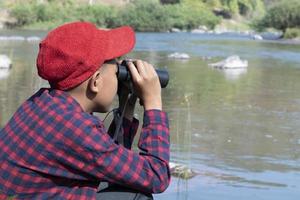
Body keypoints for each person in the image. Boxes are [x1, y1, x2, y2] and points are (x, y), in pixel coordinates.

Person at [0, 21, 170, 199]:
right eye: (116, 70)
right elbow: (156, 176)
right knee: (137, 195)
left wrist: (127, 103)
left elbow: (113, 162)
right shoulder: (75, 128)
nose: (120, 75)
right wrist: (153, 101)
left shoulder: (43, 102)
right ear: (96, 81)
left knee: (121, 181)